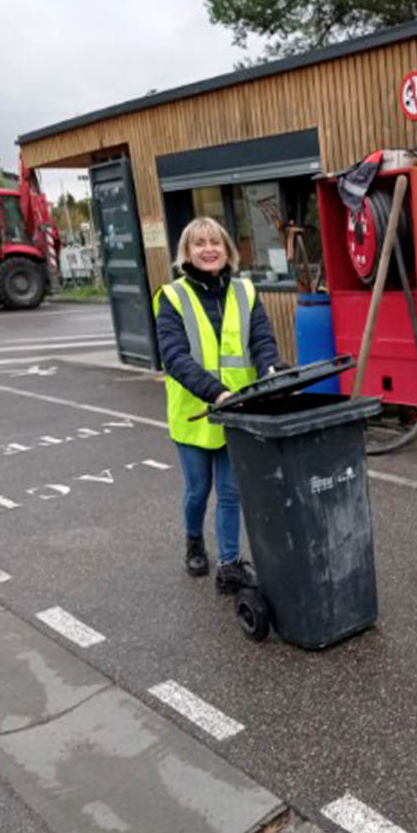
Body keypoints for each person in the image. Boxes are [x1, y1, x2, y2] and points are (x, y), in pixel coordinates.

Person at [154, 217, 281, 593]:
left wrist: (270, 372)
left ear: (227, 251)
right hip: (196, 414)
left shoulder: (246, 292)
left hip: (238, 411)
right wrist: (215, 392)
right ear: (187, 253)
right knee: (198, 490)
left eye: (216, 243)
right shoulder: (173, 297)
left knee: (231, 492)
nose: (208, 249)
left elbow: (261, 341)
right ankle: (193, 539)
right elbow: (175, 357)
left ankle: (229, 565)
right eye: (199, 244)